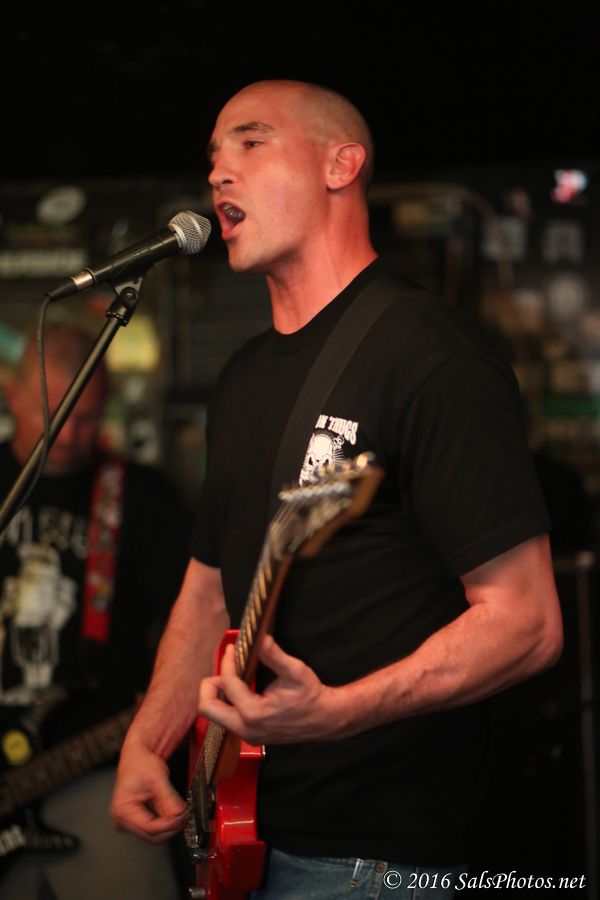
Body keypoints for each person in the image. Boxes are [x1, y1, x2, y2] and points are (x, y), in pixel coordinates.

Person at [111, 80, 564, 898]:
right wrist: (150, 740)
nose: (218, 173)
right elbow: (210, 588)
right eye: (213, 156)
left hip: (378, 858)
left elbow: (527, 623)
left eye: (251, 142)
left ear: (340, 165)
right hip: (245, 832)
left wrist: (341, 710)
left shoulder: (432, 355)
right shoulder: (242, 379)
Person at [0, 324, 188, 899]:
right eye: (51, 412)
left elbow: (194, 617)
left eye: (84, 418)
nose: (66, 434)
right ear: (12, 394)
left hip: (96, 768)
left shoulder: (141, 498)